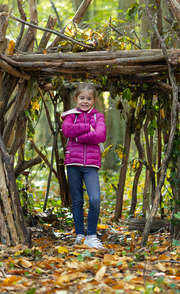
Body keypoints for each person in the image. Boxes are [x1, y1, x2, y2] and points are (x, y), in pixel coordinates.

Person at [61, 83, 106, 249]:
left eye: (88, 98)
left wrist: (78, 137)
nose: (85, 101)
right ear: (76, 99)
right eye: (82, 98)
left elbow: (100, 135)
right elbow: (67, 131)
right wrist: (88, 128)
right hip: (73, 162)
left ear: (94, 100)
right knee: (77, 200)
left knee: (94, 199)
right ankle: (79, 235)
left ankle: (91, 236)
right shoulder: (70, 115)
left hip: (91, 165)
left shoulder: (98, 117)